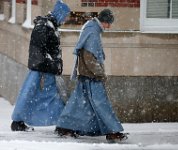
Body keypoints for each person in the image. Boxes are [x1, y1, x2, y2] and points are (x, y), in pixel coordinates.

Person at [55, 9, 128, 142]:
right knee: (101, 103)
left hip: (85, 74)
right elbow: (89, 57)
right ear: (104, 21)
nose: (109, 26)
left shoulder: (91, 28)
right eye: (108, 23)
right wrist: (100, 73)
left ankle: (65, 127)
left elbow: (86, 55)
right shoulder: (93, 32)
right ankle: (113, 131)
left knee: (79, 103)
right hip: (92, 76)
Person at [11, 0, 71, 131]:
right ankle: (18, 121)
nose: (67, 19)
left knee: (47, 97)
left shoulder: (51, 26)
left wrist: (55, 65)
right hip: (42, 71)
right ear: (60, 13)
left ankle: (62, 123)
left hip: (46, 70)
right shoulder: (44, 26)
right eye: (66, 15)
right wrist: (50, 64)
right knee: (32, 95)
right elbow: (37, 51)